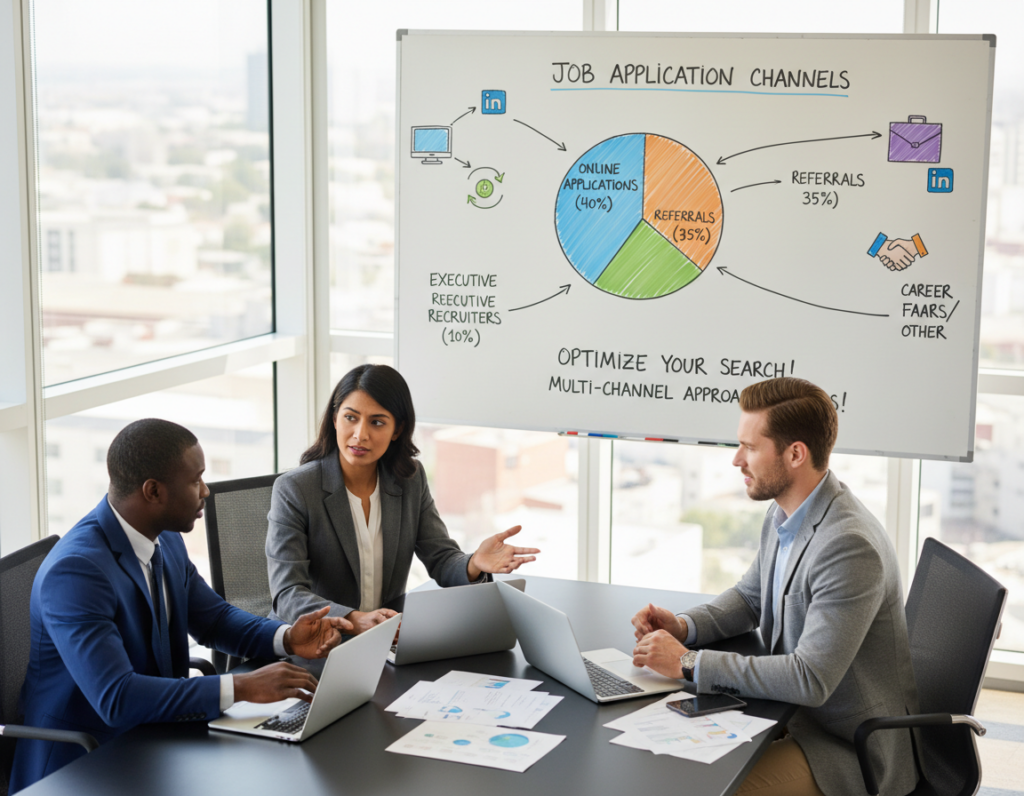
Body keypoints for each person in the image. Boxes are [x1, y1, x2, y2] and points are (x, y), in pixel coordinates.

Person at [11, 419, 353, 793]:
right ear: (153, 491)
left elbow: (214, 620)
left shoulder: (165, 539)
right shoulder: (76, 572)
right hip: (84, 763)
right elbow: (116, 697)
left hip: (156, 736)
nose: (205, 490)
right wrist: (240, 687)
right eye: (196, 481)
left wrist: (287, 639)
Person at [631, 378, 919, 796]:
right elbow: (751, 597)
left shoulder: (849, 546)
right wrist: (682, 627)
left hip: (845, 745)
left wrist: (689, 663)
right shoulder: (786, 511)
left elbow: (809, 678)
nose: (736, 460)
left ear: (795, 453)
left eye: (750, 447)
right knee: (669, 764)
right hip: (791, 717)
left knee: (715, 788)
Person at [266, 364, 539, 632]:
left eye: (377, 422)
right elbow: (288, 594)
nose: (360, 434)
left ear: (397, 430)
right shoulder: (295, 490)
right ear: (335, 418)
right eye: (351, 417)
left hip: (387, 639)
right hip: (315, 644)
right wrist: (354, 619)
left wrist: (474, 563)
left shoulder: (409, 479)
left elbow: (441, 558)